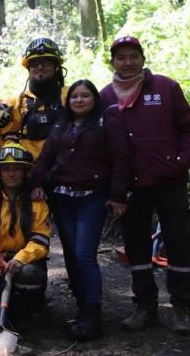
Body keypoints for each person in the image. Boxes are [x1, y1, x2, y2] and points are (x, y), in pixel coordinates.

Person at [99, 36, 190, 334]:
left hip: (170, 181)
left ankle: (182, 308)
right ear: (113, 62)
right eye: (121, 57)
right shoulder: (105, 96)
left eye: (133, 56)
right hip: (130, 186)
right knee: (137, 246)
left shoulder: (166, 88)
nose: (128, 61)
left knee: (180, 242)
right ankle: (145, 307)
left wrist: (181, 161)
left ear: (143, 59)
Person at [30, 79, 131, 341]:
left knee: (85, 255)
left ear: (94, 98)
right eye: (74, 96)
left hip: (92, 199)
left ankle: (93, 316)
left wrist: (118, 195)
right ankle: (82, 308)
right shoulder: (62, 123)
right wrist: (38, 183)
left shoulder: (106, 121)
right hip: (63, 199)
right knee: (72, 257)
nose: (79, 100)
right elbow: (46, 156)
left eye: (85, 95)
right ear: (68, 100)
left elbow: (121, 157)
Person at [0, 143, 50, 327]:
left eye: (16, 169)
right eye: (6, 169)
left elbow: (41, 241)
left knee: (29, 275)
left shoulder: (36, 202)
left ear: (25, 171)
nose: (11, 174)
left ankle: (25, 314)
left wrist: (20, 259)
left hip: (24, 262)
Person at [0, 38, 68, 159]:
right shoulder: (17, 100)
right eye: (34, 64)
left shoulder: (70, 95)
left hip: (62, 165)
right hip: (28, 167)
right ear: (28, 69)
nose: (40, 67)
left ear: (56, 67)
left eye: (46, 63)